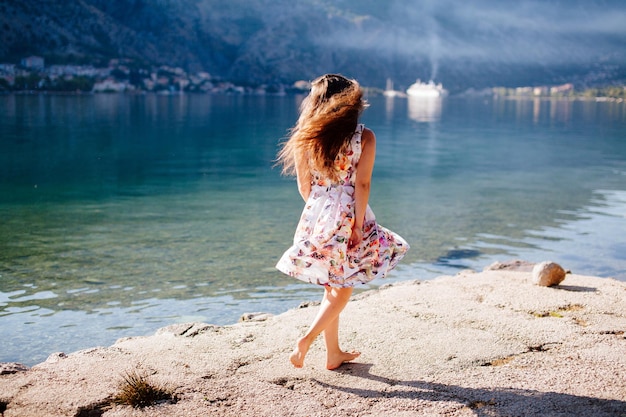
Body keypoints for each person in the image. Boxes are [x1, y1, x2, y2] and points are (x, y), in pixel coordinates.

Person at [276, 74, 409, 370]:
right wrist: (357, 225)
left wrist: (321, 215)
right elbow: (362, 185)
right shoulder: (364, 137)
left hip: (317, 213)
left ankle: (333, 353)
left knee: (333, 285)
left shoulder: (305, 136)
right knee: (343, 287)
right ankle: (306, 341)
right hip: (350, 213)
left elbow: (304, 186)